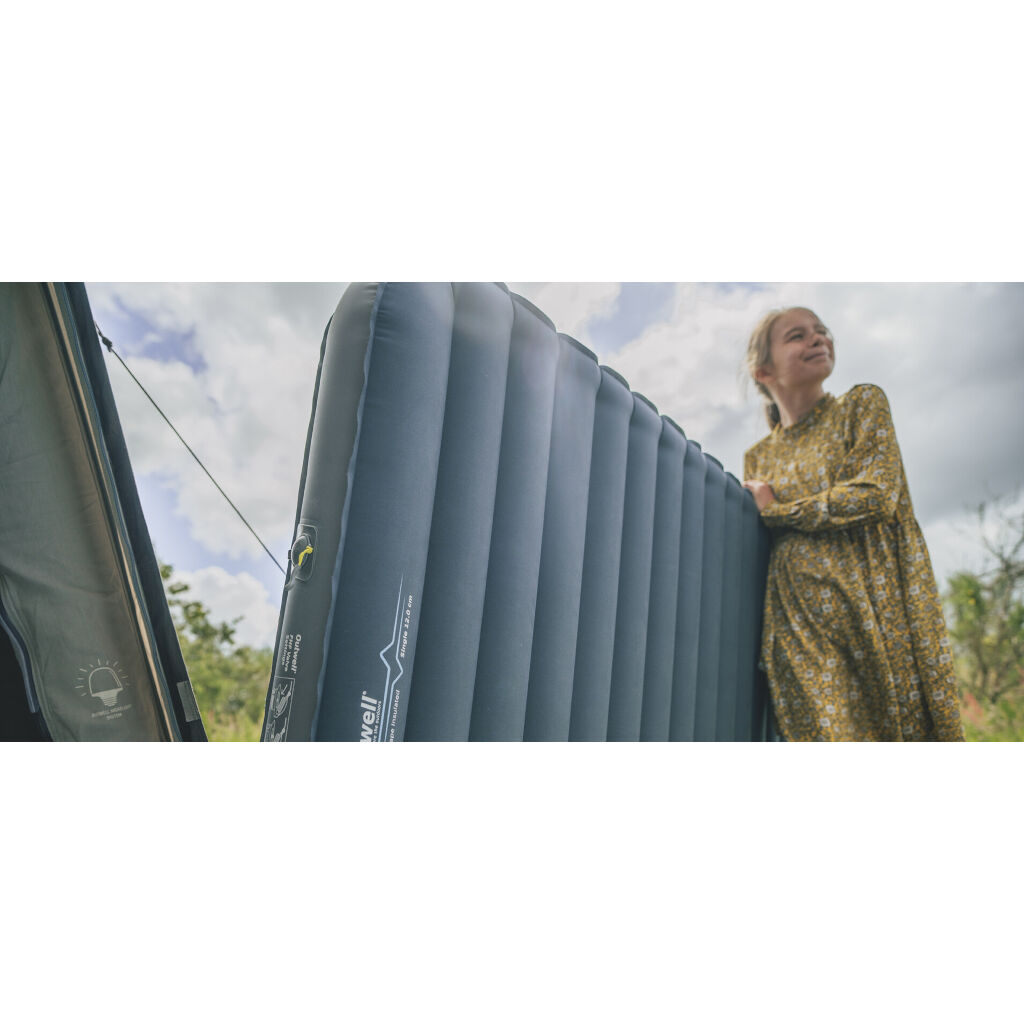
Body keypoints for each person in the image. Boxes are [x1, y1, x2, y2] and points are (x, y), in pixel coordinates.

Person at [742, 306, 964, 741]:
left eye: (821, 331)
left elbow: (875, 495)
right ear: (763, 371)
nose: (818, 338)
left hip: (877, 616)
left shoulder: (861, 405)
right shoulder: (758, 457)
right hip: (800, 628)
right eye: (797, 335)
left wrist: (779, 511)